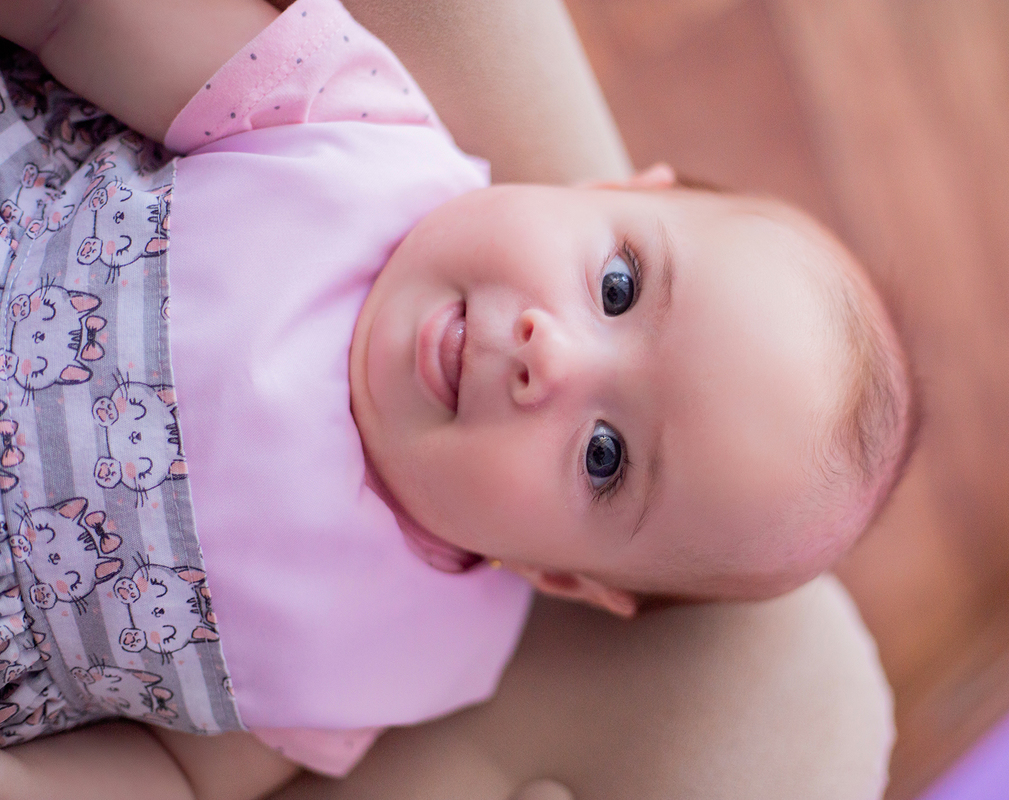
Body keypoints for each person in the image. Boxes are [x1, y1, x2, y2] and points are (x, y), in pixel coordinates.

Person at [0, 0, 912, 796]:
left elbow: (180, 777)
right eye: (620, 287)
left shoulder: (401, 662)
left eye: (606, 455)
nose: (545, 354)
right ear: (605, 192)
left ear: (559, 575)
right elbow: (76, 16)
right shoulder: (353, 125)